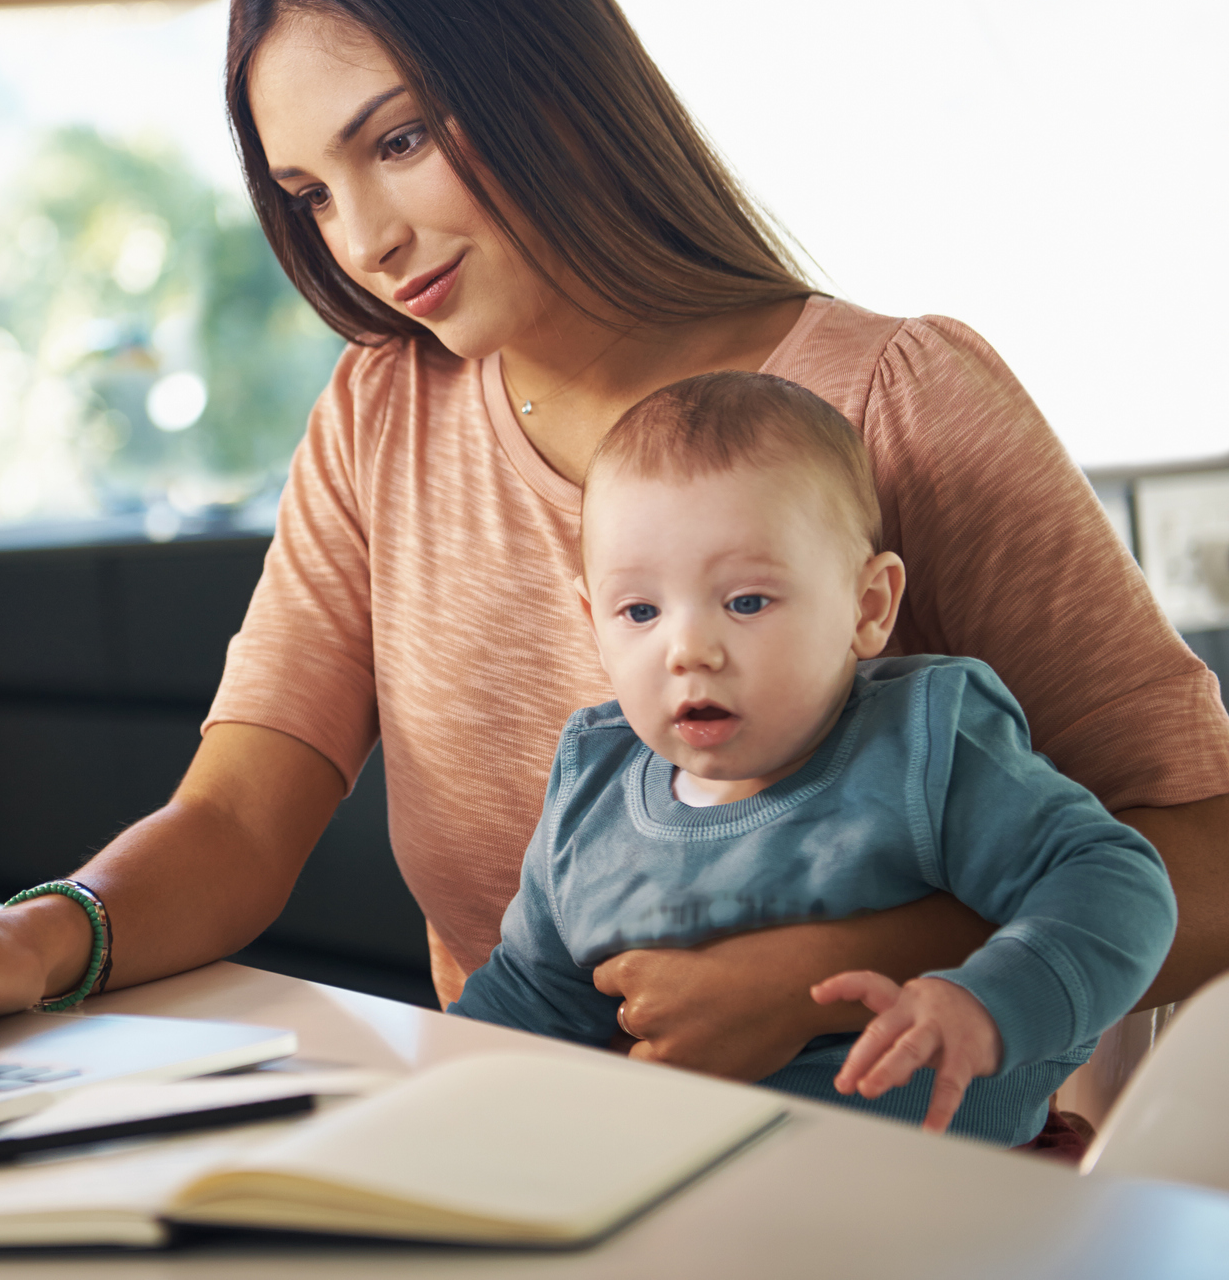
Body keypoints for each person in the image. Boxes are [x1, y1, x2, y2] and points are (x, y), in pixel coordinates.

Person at [0, 0, 1229, 1099]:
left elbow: (1204, 849)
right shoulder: (380, 415)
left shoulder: (898, 401)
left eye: (398, 139)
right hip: (536, 1146)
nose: (364, 240)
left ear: (549, 77)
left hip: (901, 1177)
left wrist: (829, 971)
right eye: (311, 192)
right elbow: (235, 819)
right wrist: (41, 932)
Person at [448, 371, 1176, 1144]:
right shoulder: (591, 790)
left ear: (869, 606)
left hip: (944, 1191)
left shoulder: (924, 744)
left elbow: (1116, 879)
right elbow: (524, 1004)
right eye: (639, 610)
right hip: (668, 1181)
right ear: (592, 620)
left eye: (747, 601)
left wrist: (990, 1003)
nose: (688, 649)